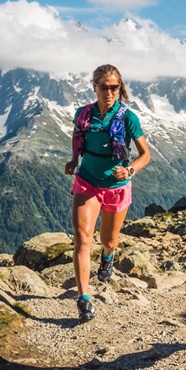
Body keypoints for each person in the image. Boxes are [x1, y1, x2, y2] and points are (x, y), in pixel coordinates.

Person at [65, 64, 150, 322]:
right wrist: (73, 160)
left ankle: (108, 257)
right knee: (82, 238)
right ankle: (84, 299)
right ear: (95, 87)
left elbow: (145, 155)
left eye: (114, 87)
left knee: (109, 240)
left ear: (120, 88)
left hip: (116, 187)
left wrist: (130, 171)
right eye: (104, 87)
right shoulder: (84, 115)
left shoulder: (128, 118)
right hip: (87, 182)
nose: (109, 92)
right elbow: (79, 140)